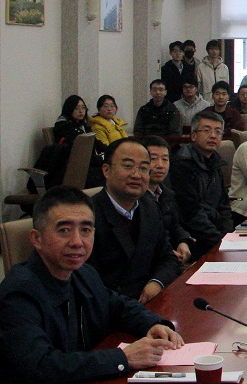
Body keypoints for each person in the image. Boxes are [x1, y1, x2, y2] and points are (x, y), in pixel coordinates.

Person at [0, 186, 184, 384]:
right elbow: (41, 367)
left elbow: (117, 306)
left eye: (85, 230)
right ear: (37, 239)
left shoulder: (83, 273)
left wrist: (153, 323)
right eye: (64, 230)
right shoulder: (19, 293)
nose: (77, 242)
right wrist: (124, 358)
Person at [88, 138, 180, 302]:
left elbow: (168, 258)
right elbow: (86, 281)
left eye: (144, 168)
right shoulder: (88, 216)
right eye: (128, 166)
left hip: (149, 301)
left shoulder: (150, 208)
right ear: (106, 170)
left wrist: (156, 283)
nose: (137, 175)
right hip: (108, 307)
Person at [170, 111, 235, 253]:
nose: (213, 136)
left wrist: (228, 236)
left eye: (218, 132)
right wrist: (219, 241)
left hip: (215, 234)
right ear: (193, 135)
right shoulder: (181, 164)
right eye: (207, 130)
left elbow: (224, 205)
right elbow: (191, 213)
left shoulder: (215, 161)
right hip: (193, 238)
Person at [142, 135, 194, 266]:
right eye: (153, 159)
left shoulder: (166, 193)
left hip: (172, 260)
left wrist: (184, 241)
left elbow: (175, 225)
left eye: (165, 159)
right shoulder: (136, 198)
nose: (160, 165)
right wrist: (168, 254)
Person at [49, 95, 103, 187]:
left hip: (88, 162)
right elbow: (74, 149)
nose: (81, 111)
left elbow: (96, 143)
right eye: (76, 108)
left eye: (83, 108)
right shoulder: (63, 126)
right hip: (73, 167)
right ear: (69, 110)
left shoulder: (84, 126)